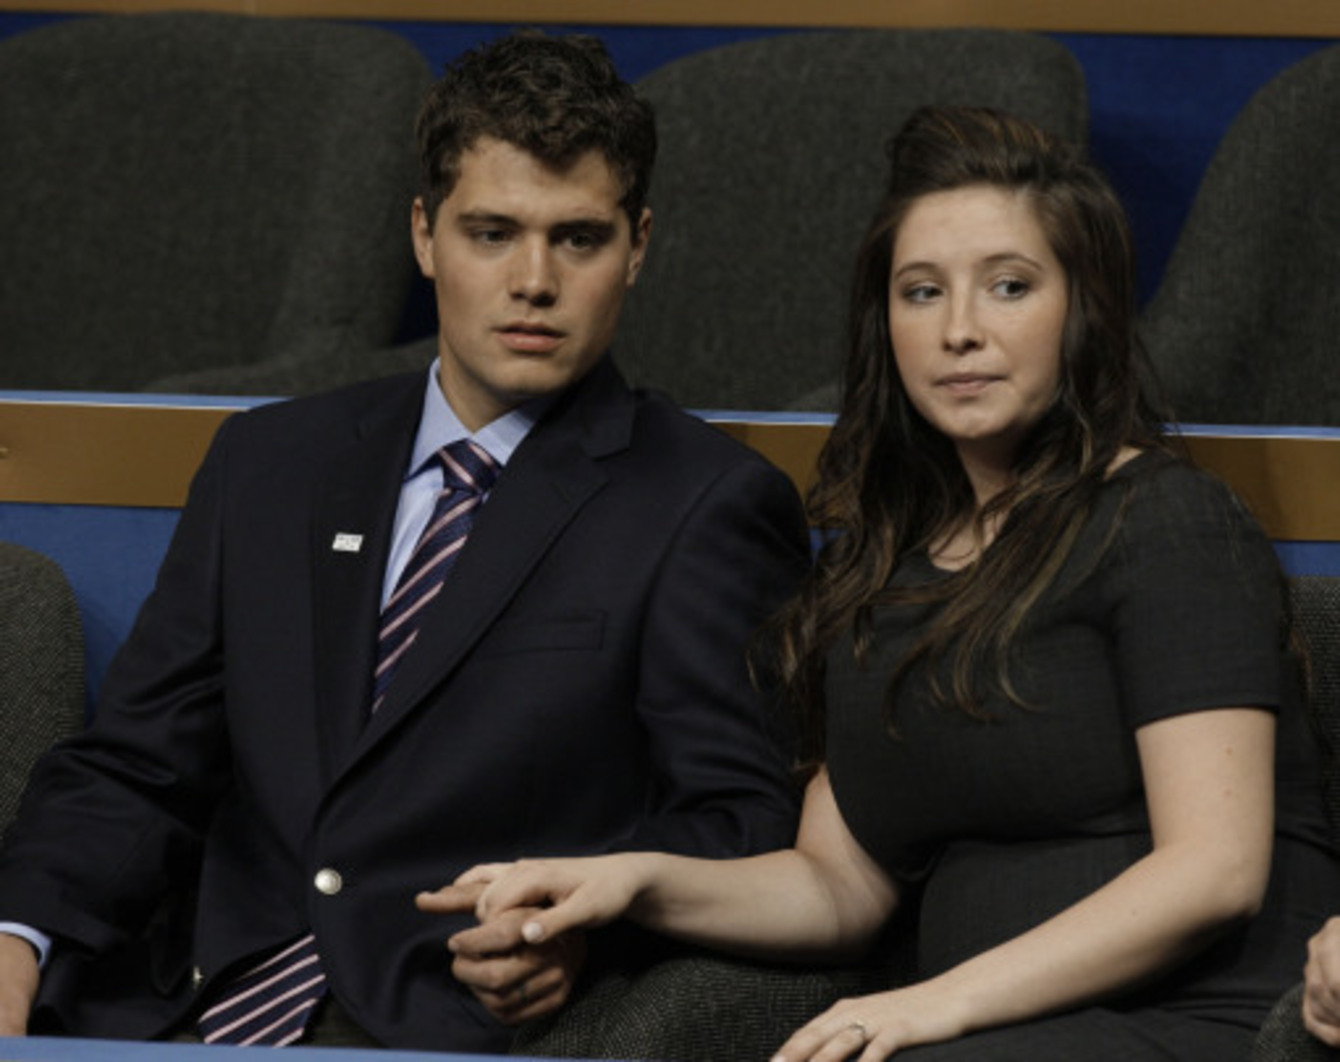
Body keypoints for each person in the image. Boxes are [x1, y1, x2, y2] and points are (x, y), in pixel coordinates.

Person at [425, 105, 1340, 1060]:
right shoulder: (879, 570)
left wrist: (933, 1004)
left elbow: (1213, 873)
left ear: (1086, 311)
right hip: (972, 1035)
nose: (959, 331)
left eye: (1010, 287)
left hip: (1196, 1021)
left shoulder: (1168, 521)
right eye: (921, 292)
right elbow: (839, 888)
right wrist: (631, 882)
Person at [0, 31, 808, 1052]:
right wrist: (16, 937)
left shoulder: (706, 503)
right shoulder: (268, 463)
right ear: (424, 236)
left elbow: (737, 824)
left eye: (578, 239)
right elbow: (137, 767)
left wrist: (581, 928)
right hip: (174, 1002)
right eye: (491, 233)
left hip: (437, 1016)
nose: (533, 281)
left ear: (637, 247)